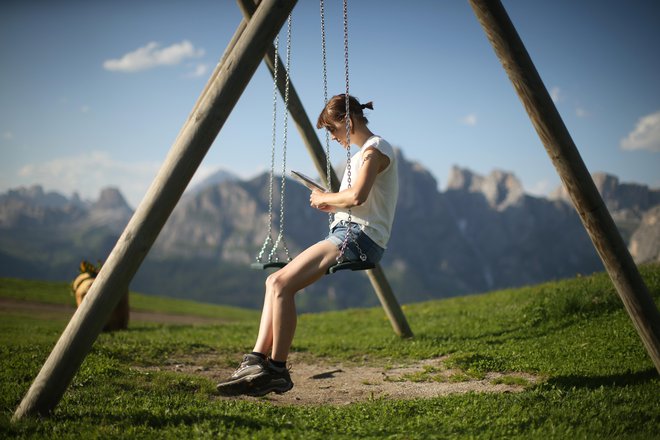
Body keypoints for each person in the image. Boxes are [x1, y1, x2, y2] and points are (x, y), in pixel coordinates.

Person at [216, 94, 399, 397]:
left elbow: (357, 197)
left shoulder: (374, 150)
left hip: (358, 237)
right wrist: (332, 204)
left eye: (332, 129)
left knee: (281, 284)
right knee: (274, 282)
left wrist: (326, 198)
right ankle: (257, 361)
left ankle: (276, 369)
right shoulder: (365, 153)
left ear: (348, 121)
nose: (332, 136)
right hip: (349, 230)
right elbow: (355, 200)